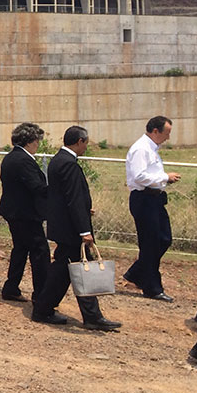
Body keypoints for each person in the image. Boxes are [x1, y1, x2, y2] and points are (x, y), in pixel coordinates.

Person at [32, 126, 121, 331]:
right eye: (86, 144)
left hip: (63, 226)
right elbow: (74, 199)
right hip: (72, 230)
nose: (86, 148)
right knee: (81, 269)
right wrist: (84, 230)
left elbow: (63, 199)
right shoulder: (69, 165)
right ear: (80, 141)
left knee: (63, 270)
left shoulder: (57, 161)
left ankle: (44, 308)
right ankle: (91, 316)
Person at [124, 116, 181, 302]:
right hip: (144, 199)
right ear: (155, 131)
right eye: (167, 133)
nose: (168, 137)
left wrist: (163, 180)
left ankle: (136, 273)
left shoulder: (151, 149)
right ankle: (152, 287)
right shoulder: (141, 149)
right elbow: (139, 176)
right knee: (151, 244)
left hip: (154, 199)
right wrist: (165, 177)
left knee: (164, 239)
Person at [0, 122, 49, 304]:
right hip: (25, 214)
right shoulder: (24, 160)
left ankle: (11, 287)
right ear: (30, 141)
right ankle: (42, 294)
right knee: (40, 252)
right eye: (37, 141)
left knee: (20, 249)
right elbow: (36, 186)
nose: (38, 145)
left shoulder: (11, 157)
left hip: (14, 212)